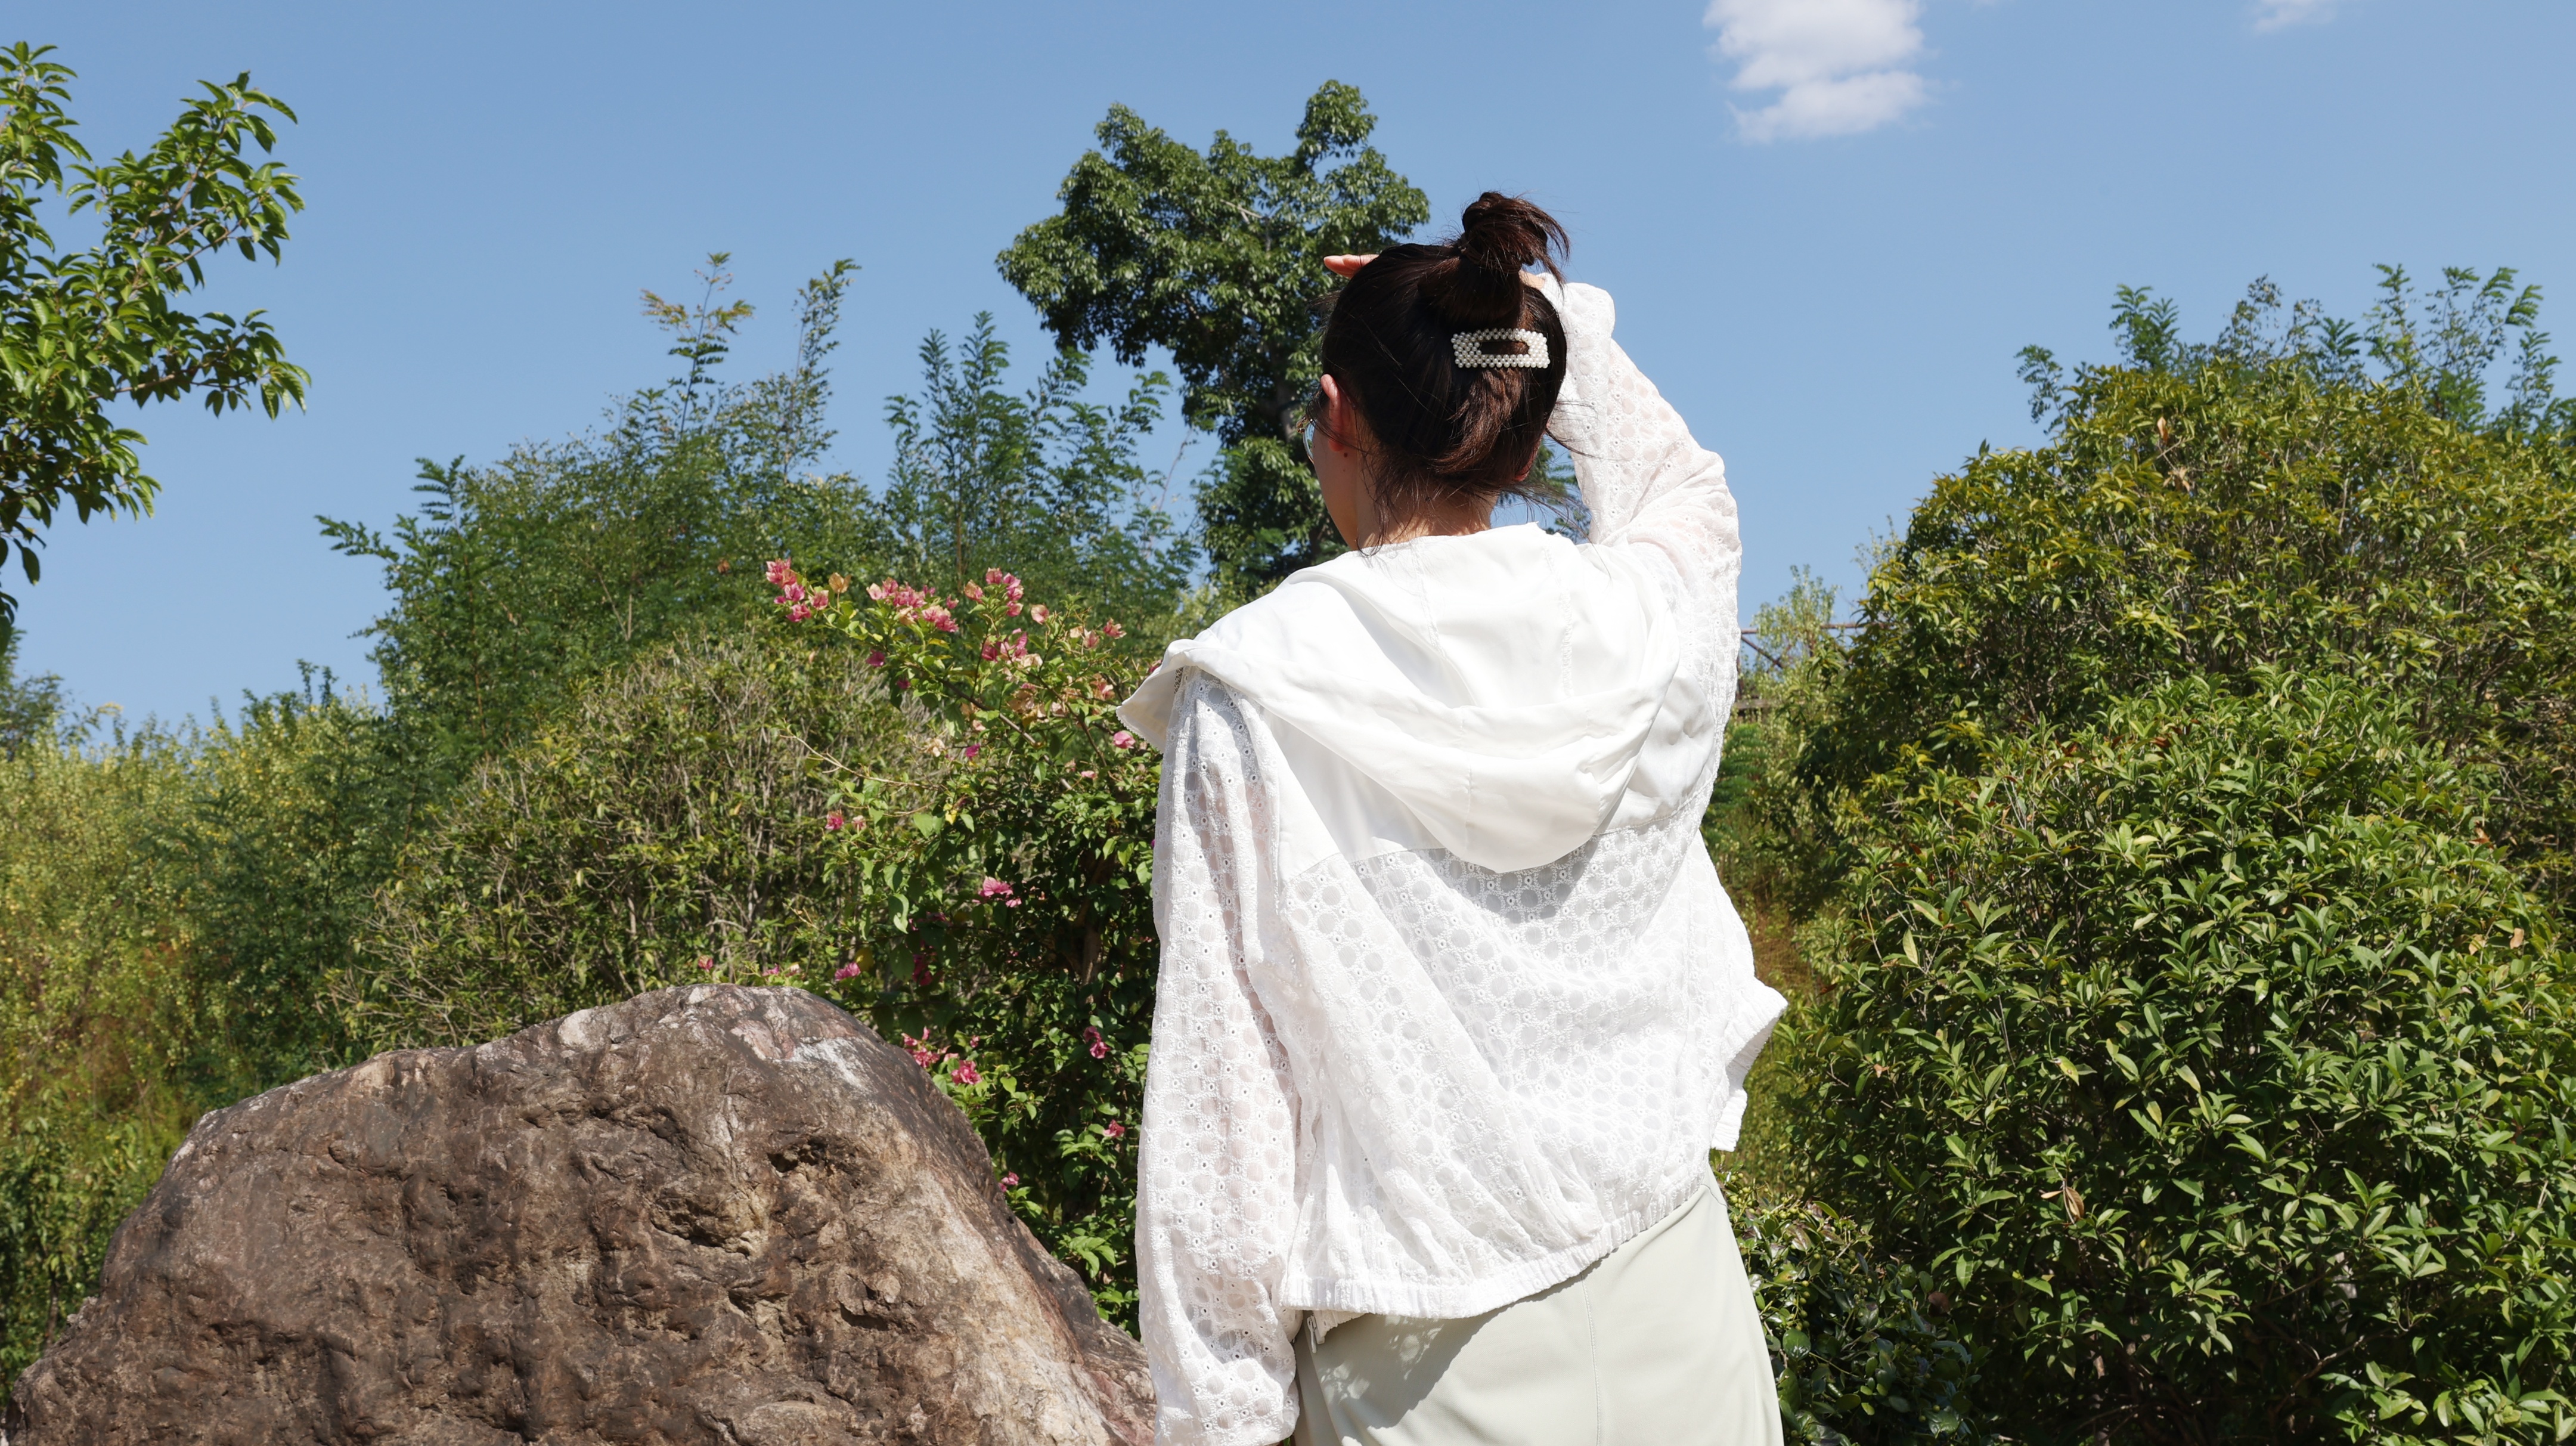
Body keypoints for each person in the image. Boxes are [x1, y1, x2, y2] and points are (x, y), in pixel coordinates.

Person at [1115, 193, 1786, 1446]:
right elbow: (1680, 486)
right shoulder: (1645, 623)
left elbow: (1227, 1114)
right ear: (1521, 439)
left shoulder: (1259, 691)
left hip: (1423, 1366)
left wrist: (1221, 1424)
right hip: (1679, 1307)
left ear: (1332, 417)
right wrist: (1547, 333)